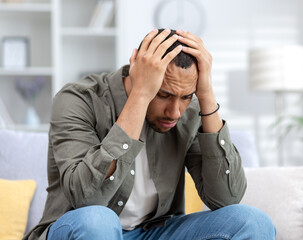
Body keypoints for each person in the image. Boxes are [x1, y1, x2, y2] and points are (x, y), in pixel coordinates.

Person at [24, 28, 276, 240]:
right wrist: (141, 96)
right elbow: (87, 198)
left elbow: (226, 199)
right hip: (83, 228)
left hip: (156, 232)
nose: (175, 112)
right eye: (163, 94)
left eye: (185, 97)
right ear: (137, 67)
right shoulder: (79, 99)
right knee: (97, 221)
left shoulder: (191, 111)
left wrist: (206, 94)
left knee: (253, 222)